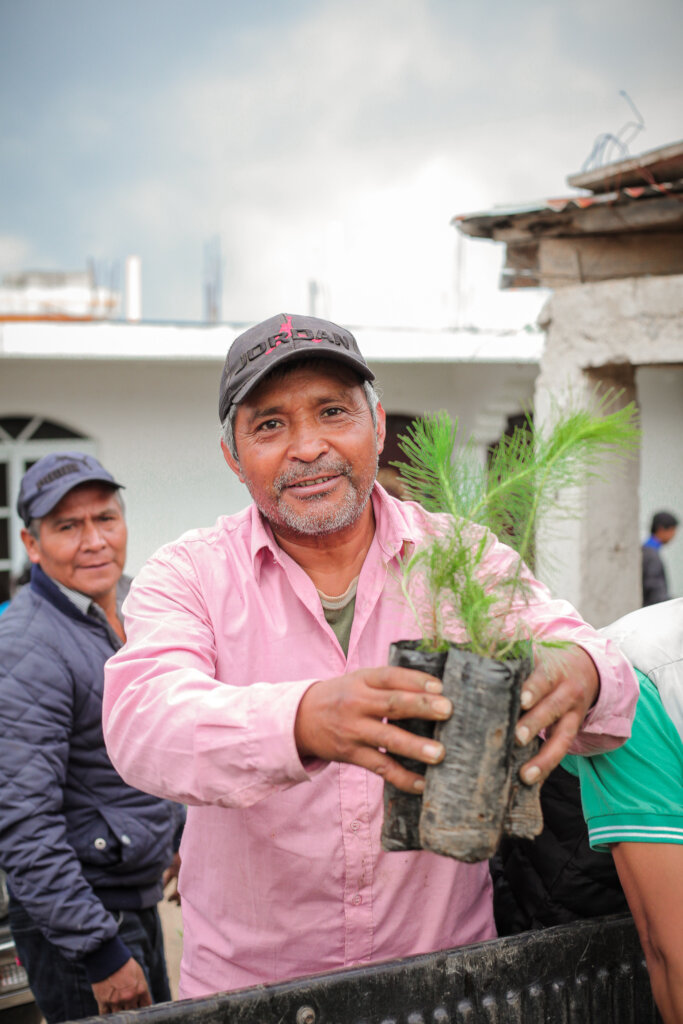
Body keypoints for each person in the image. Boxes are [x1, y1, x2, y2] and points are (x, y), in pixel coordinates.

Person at [102, 313, 638, 999]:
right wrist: (300, 720)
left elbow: (602, 666)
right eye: (269, 426)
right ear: (232, 455)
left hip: (445, 979)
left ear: (377, 426)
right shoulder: (188, 574)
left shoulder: (461, 555)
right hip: (252, 993)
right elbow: (142, 721)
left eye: (333, 412)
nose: (307, 447)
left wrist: (581, 671)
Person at [0, 453, 184, 1023]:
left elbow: (152, 737)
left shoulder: (138, 605)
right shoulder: (26, 646)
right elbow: (24, 824)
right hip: (82, 919)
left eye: (105, 519)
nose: (93, 541)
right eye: (67, 526)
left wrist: (177, 831)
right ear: (32, 544)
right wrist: (100, 953)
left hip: (134, 895)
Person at [642, 510, 679, 606]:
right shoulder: (651, 555)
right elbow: (654, 588)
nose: (673, 535)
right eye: (672, 530)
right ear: (661, 529)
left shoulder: (646, 550)